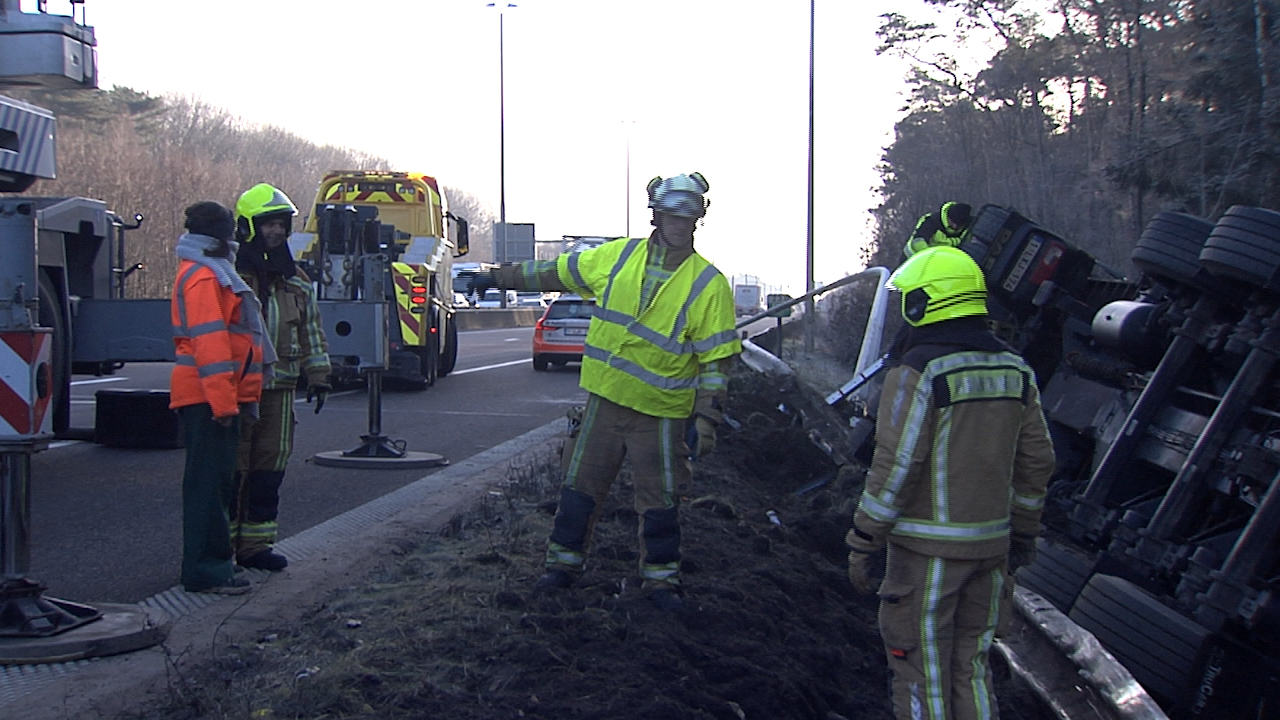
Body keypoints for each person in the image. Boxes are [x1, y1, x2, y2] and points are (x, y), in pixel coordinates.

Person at [469, 172, 740, 611]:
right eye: (672, 217)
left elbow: (717, 361)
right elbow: (553, 271)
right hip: (605, 404)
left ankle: (661, 583)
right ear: (656, 216)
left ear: (698, 221)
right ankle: (561, 568)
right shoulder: (617, 257)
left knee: (661, 501)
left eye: (687, 219)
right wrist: (498, 278)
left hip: (661, 414)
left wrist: (707, 418)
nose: (678, 226)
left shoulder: (709, 285)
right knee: (579, 488)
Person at [845, 245, 1055, 720]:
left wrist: (864, 537)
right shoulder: (1016, 370)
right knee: (971, 668)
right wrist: (1022, 533)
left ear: (926, 302)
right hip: (992, 550)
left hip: (927, 554)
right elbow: (1037, 463)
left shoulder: (920, 371)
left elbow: (895, 466)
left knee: (920, 670)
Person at [169, 200, 276, 595]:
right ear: (220, 233)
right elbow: (210, 345)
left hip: (209, 395)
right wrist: (223, 404)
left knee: (214, 485)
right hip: (207, 397)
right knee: (208, 487)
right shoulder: (204, 276)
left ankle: (212, 565)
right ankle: (205, 571)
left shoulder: (210, 271)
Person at [231, 183, 331, 572]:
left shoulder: (297, 280)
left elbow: (311, 331)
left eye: (281, 224)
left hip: (280, 389)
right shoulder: (232, 275)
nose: (275, 231)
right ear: (247, 227)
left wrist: (319, 374)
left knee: (269, 469)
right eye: (267, 224)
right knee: (233, 469)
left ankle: (256, 546)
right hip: (238, 389)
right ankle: (224, 547)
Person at [903, 201, 973, 259]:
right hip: (912, 260)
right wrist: (932, 259)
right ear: (948, 216)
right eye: (953, 222)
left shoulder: (972, 225)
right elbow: (918, 242)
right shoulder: (931, 222)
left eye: (958, 225)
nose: (955, 226)